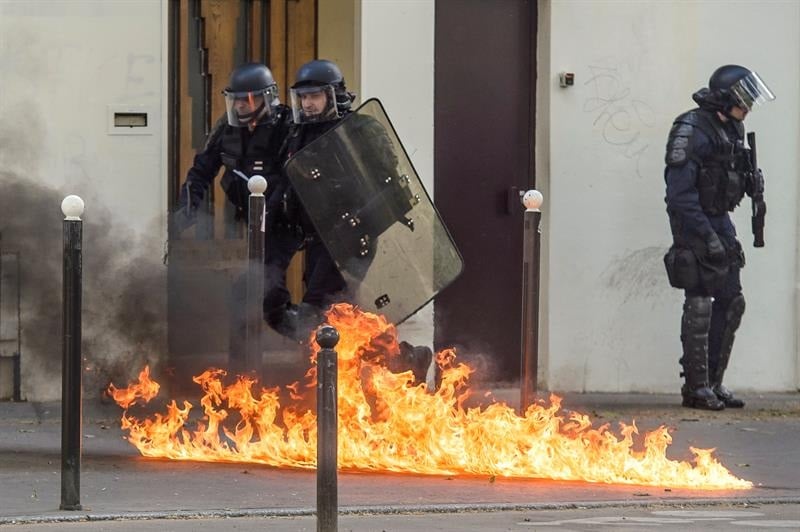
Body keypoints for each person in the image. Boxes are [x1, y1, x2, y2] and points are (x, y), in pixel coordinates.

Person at [663, 65, 774, 410]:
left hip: (720, 220)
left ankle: (714, 381)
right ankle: (696, 388)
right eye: (744, 99)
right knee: (699, 298)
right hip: (693, 222)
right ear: (726, 99)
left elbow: (728, 171)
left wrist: (750, 181)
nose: (749, 106)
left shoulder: (733, 127)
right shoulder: (691, 128)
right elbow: (680, 195)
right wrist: (704, 236)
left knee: (732, 299)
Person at [262, 59, 357, 341]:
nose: (307, 104)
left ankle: (392, 364)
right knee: (313, 317)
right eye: (303, 97)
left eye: (314, 96)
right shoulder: (297, 132)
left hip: (347, 235)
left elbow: (382, 183)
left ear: (333, 94)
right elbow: (286, 178)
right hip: (313, 233)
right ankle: (403, 356)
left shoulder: (355, 129)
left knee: (322, 311)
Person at [174, 62, 291, 231]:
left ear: (267, 97)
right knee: (255, 257)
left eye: (247, 99)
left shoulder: (287, 126)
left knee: (268, 257)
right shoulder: (227, 128)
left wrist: (272, 211)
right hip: (248, 212)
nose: (239, 105)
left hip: (283, 218)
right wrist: (187, 207)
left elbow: (293, 179)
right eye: (235, 99)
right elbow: (202, 169)